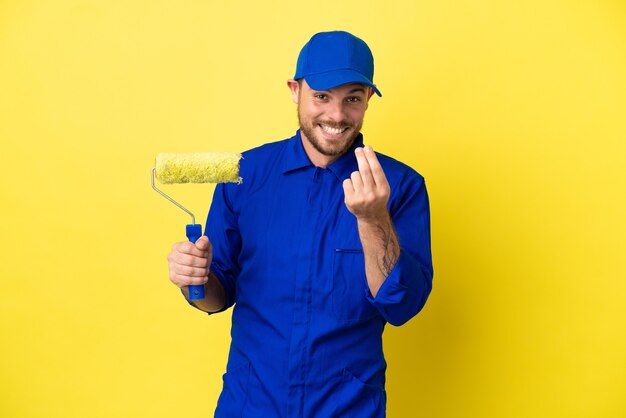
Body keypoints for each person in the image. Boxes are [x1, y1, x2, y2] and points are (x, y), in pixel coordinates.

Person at [167, 30, 433, 417]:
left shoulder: (401, 186)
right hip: (250, 404)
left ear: (368, 100)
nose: (337, 116)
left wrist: (374, 219)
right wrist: (195, 278)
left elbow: (402, 306)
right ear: (295, 90)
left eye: (352, 100)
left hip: (348, 407)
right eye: (322, 97)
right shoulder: (244, 176)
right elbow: (215, 296)